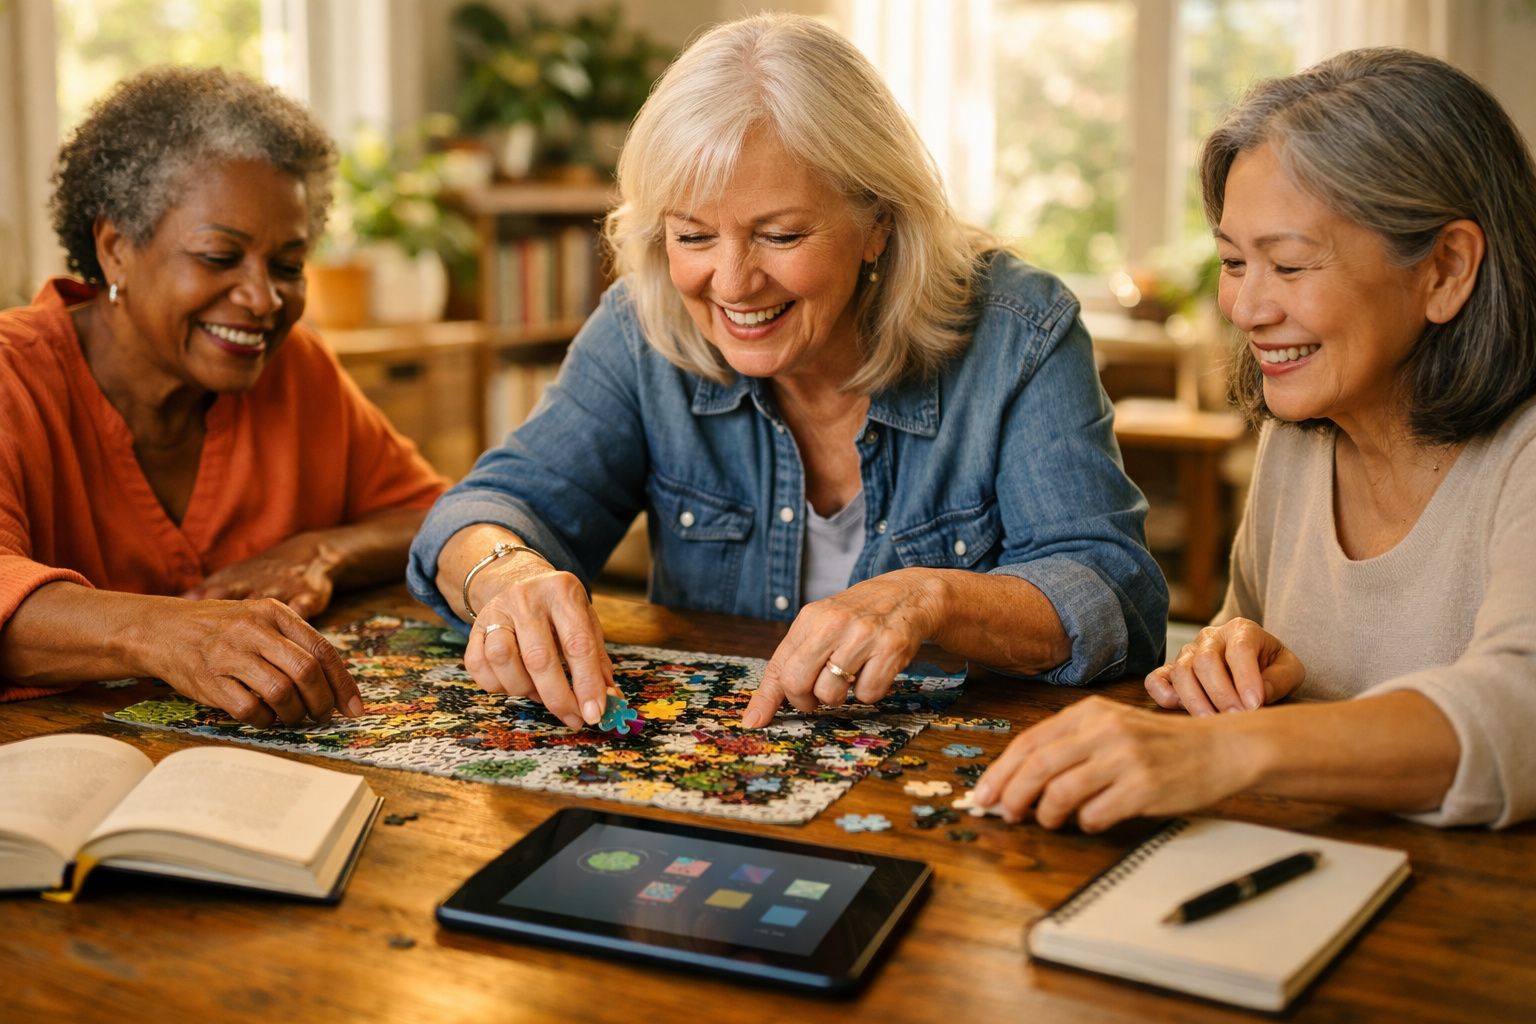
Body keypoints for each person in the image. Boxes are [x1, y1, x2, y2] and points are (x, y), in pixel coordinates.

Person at [407, 13, 1167, 734]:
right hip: (718, 770)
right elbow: (484, 508)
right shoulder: (643, 325)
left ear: (878, 223)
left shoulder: (1018, 333)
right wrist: (504, 572)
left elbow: (1116, 597)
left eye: (780, 234)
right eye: (694, 234)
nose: (732, 282)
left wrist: (929, 598)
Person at [973, 48, 1536, 830]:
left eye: (1290, 263)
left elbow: (1520, 709)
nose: (1244, 307)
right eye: (1234, 262)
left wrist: (1229, 750)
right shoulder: (1302, 442)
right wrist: (1230, 655)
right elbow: (1251, 649)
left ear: (1445, 268)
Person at [0, 66, 448, 726]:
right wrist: (173, 633)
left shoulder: (296, 368)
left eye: (289, 266)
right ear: (116, 248)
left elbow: (436, 518)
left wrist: (321, 550)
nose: (263, 298)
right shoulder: (14, 372)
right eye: (218, 256)